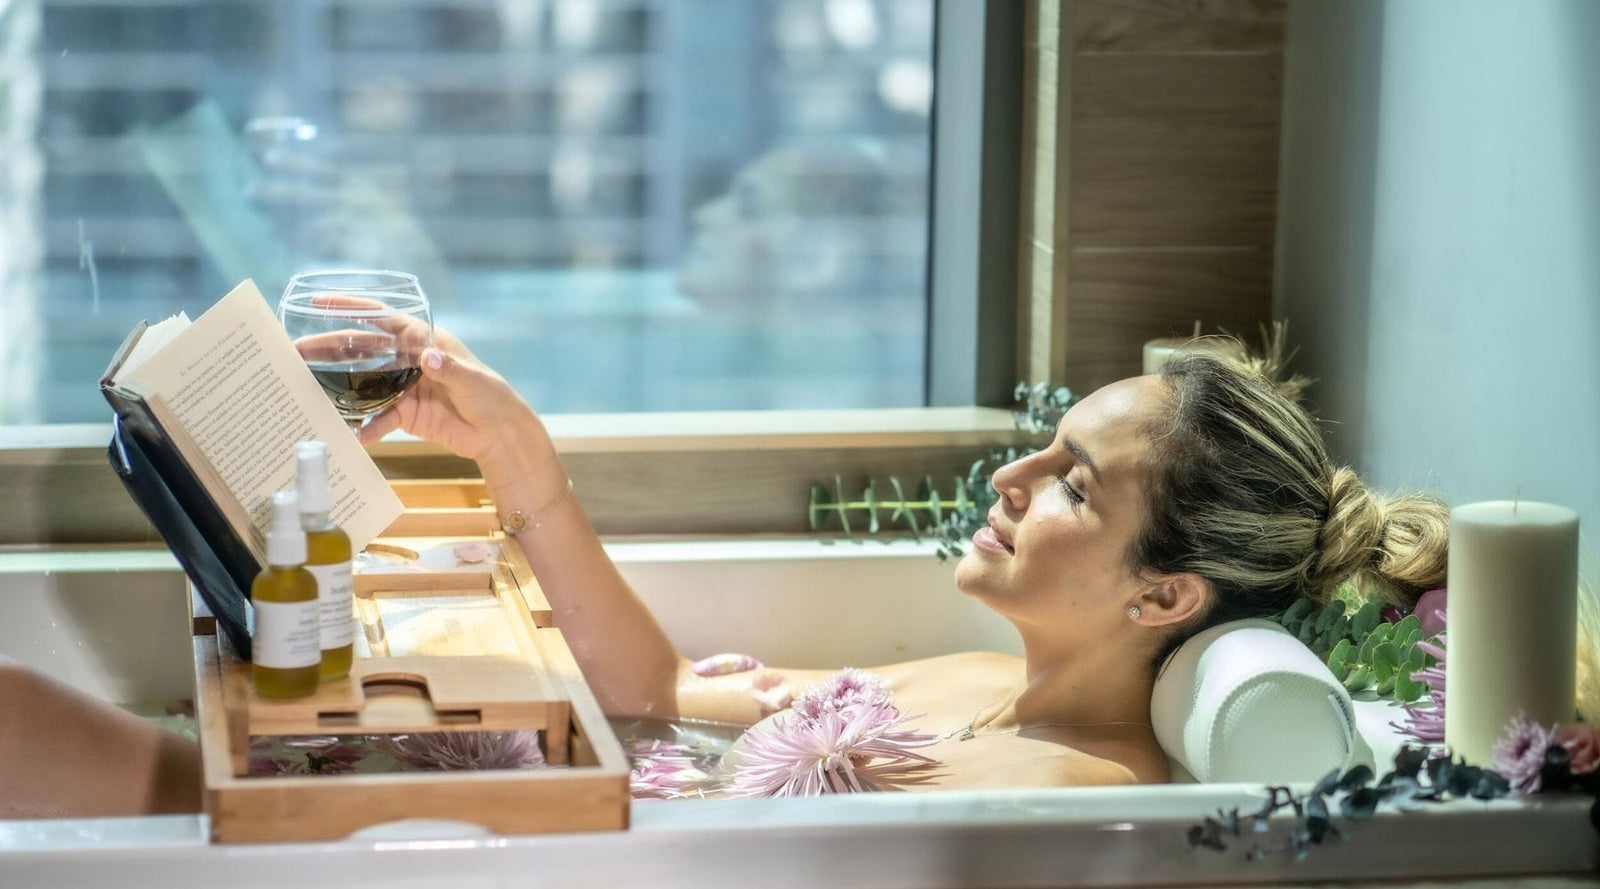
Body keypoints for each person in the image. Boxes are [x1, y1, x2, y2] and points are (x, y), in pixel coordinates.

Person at [0, 337, 1451, 814]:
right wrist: (524, 468)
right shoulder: (973, 684)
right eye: (1045, 442)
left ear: (1165, 596)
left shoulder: (1072, 794)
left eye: (1074, 480)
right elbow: (654, 689)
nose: (1013, 479)